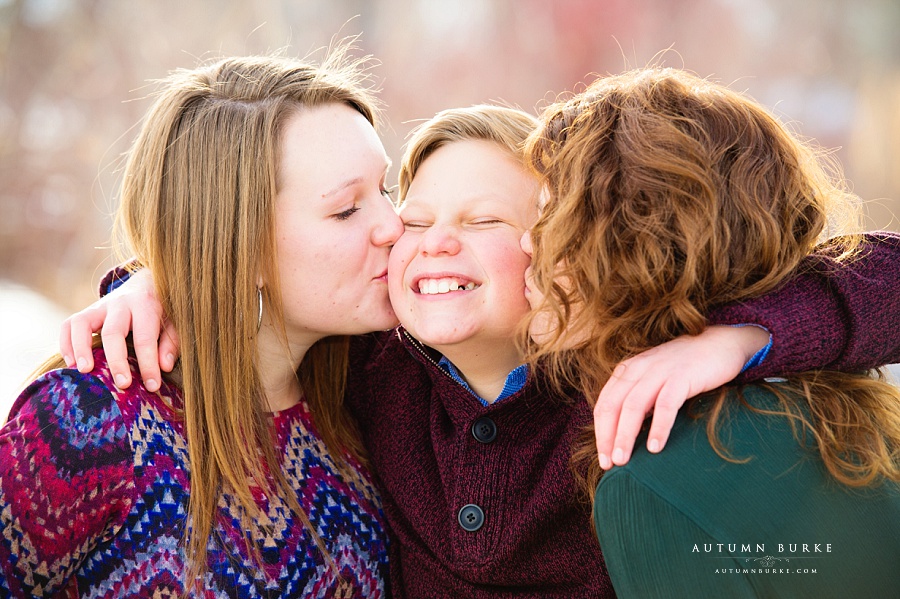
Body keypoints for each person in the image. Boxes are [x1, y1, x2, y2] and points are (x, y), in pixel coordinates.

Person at [64, 101, 900, 597]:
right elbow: (276, 279)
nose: (430, 245)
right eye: (416, 221)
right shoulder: (371, 366)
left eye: (485, 222)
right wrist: (159, 280)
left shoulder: (623, 367)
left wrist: (743, 334)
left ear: (564, 248)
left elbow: (884, 274)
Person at [0, 52, 399, 596]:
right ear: (241, 246)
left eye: (387, 190)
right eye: (347, 209)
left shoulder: (379, 396)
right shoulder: (90, 420)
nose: (394, 225)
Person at [522, 66, 900, 597]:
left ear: (632, 248)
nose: (525, 244)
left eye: (548, 221)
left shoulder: (653, 483)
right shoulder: (851, 410)